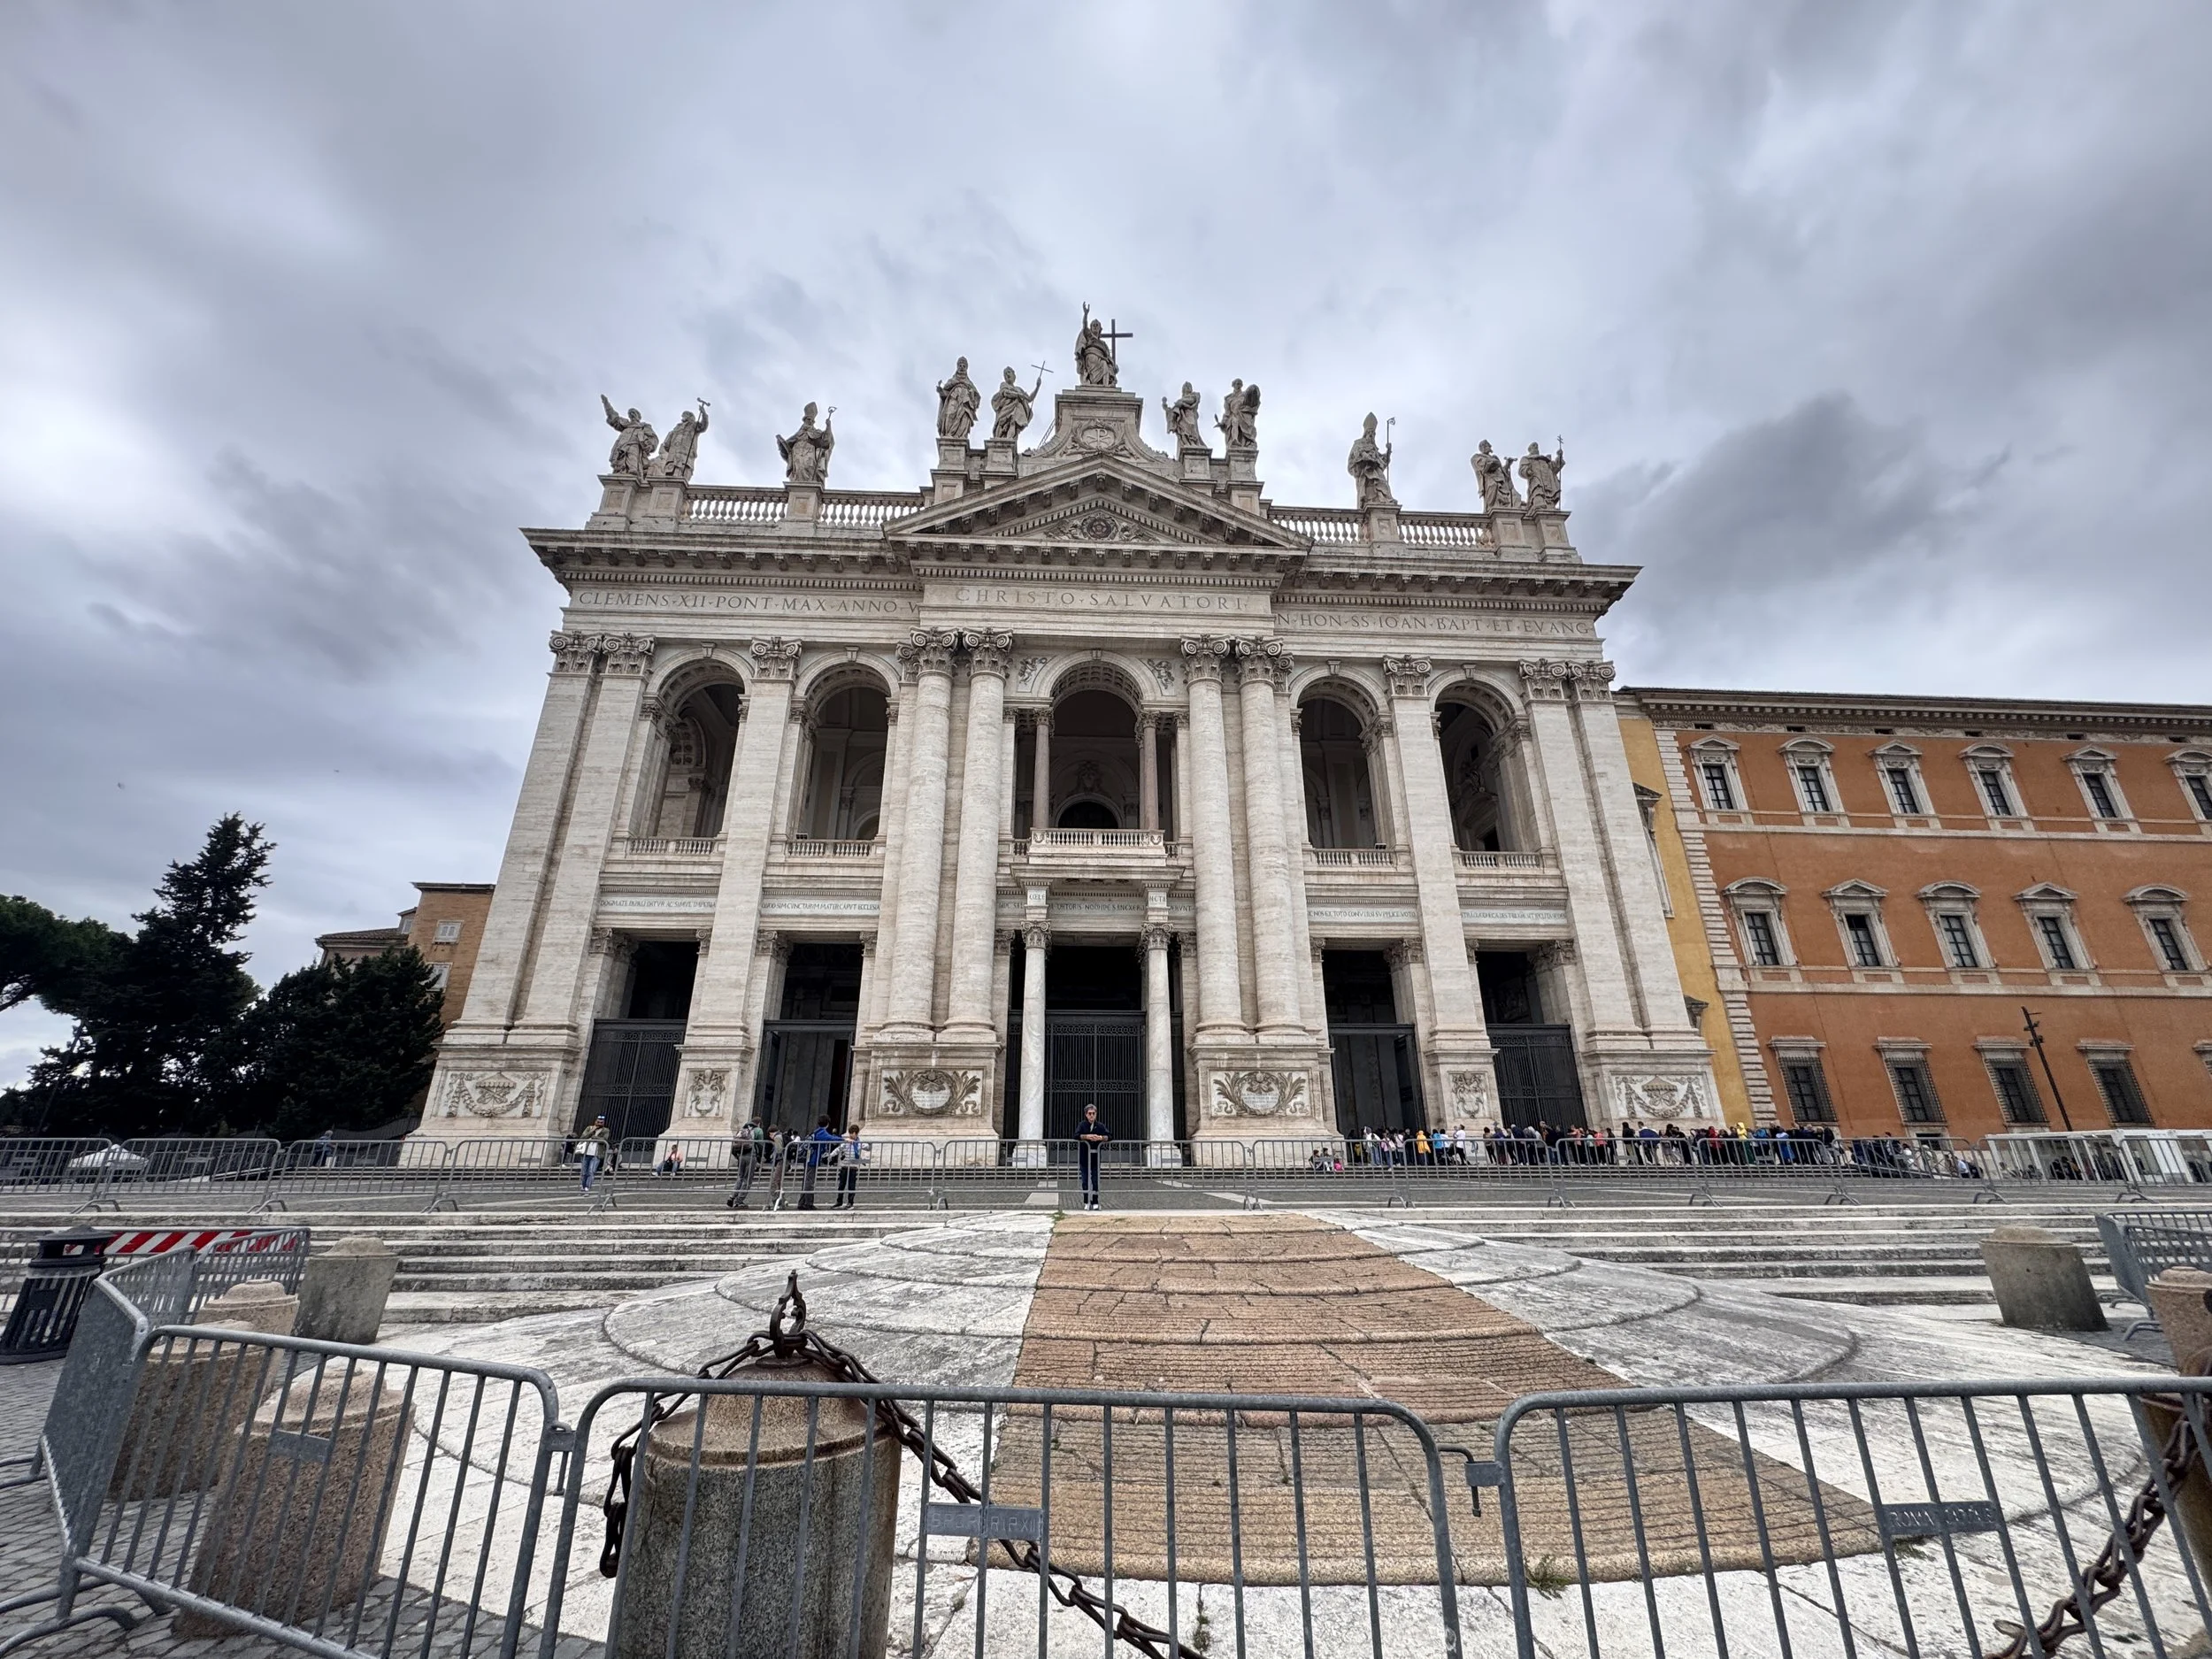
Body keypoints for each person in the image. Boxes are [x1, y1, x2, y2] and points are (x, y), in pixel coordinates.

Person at [1076, 1102, 1110, 1210]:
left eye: (1093, 1113)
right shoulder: (1082, 1125)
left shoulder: (1100, 1126)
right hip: (1084, 1157)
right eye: (1089, 1113)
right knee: (1085, 1181)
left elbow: (1110, 1136)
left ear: (1096, 1114)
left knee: (1095, 1180)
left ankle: (1095, 1201)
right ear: (1086, 1114)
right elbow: (1075, 1135)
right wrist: (1086, 1136)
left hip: (1095, 1158)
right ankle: (1086, 1201)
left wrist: (1100, 1138)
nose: (1091, 1116)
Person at [799, 1116, 838, 1210]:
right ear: (827, 1123)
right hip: (812, 1160)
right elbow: (831, 1138)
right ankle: (808, 1203)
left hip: (809, 1159)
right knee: (809, 1182)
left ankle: (802, 1203)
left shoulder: (816, 1131)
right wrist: (845, 1140)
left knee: (807, 1181)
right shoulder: (821, 1132)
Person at [726, 1119, 766, 1209]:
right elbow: (760, 1145)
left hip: (741, 1155)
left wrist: (737, 1156)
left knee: (740, 1177)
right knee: (747, 1179)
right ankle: (739, 1201)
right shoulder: (758, 1130)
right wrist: (761, 1157)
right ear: (759, 1123)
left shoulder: (742, 1129)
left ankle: (732, 1196)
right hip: (751, 1156)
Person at [576, 1117, 609, 1193]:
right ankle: (583, 1186)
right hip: (586, 1153)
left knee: (591, 1171)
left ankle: (587, 1187)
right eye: (598, 1122)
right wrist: (592, 1131)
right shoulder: (589, 1128)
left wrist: (594, 1137)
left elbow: (604, 1140)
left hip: (596, 1154)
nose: (599, 1124)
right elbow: (583, 1137)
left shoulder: (605, 1130)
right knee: (584, 1172)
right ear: (595, 1122)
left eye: (601, 1122)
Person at [833, 1125, 863, 1209]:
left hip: (853, 1167)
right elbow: (838, 1149)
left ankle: (850, 1202)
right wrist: (830, 1155)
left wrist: (869, 1145)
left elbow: (867, 1147)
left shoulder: (858, 1143)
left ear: (856, 1134)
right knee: (841, 1185)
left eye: (852, 1133)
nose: (850, 1135)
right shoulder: (846, 1142)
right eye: (850, 1133)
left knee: (851, 1185)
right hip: (845, 1166)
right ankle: (839, 1202)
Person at [765, 1127, 790, 1210]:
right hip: (785, 1160)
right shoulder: (781, 1136)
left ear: (771, 1133)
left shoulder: (777, 1137)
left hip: (781, 1161)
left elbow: (779, 1150)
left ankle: (775, 1201)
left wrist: (774, 1146)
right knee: (778, 1182)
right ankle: (782, 1201)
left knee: (775, 1181)